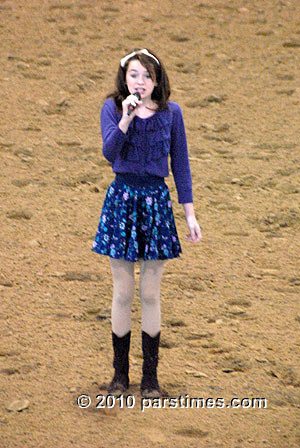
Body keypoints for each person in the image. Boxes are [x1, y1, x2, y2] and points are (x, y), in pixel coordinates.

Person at [92, 48, 201, 398]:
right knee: (123, 293)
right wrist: (126, 117)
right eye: (134, 75)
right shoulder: (112, 108)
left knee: (150, 293)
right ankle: (120, 377)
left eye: (147, 76)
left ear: (158, 80)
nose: (140, 82)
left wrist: (190, 213)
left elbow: (180, 164)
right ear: (125, 79)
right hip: (121, 201)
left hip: (156, 204)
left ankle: (151, 379)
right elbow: (110, 152)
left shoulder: (172, 114)